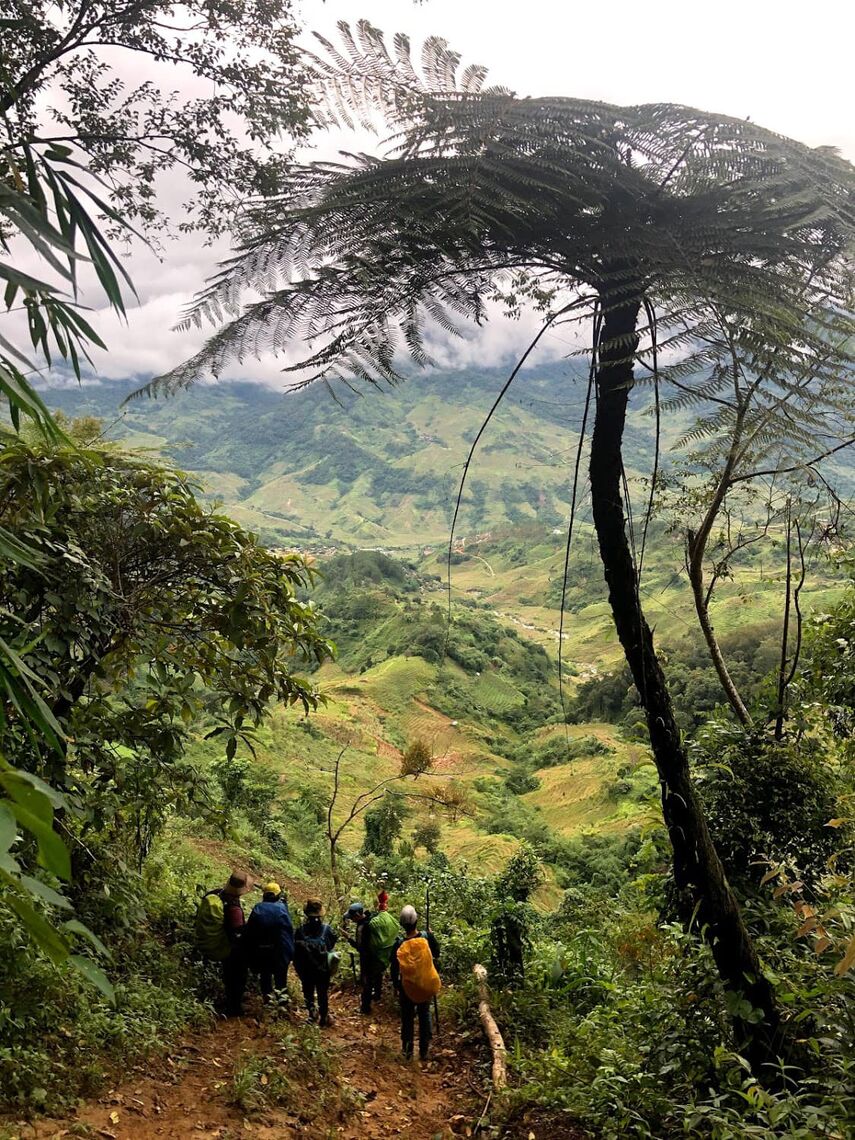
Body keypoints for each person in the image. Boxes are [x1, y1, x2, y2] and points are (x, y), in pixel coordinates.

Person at [390, 905, 441, 1062]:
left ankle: (407, 1051)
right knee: (424, 1014)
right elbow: (437, 953)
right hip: (425, 984)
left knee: (407, 1017)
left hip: (407, 987)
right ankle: (424, 1050)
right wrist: (431, 936)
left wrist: (396, 986)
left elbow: (393, 966)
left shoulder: (399, 944)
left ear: (402, 924)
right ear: (416, 920)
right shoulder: (427, 938)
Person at [244, 881, 294, 1003]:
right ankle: (282, 1000)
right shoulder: (282, 909)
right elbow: (288, 929)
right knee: (280, 975)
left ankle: (267, 998)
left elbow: (250, 930)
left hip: (261, 949)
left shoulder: (258, 907)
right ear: (277, 895)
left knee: (265, 974)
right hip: (279, 949)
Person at [294, 897, 338, 1027]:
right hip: (322, 969)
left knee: (308, 991)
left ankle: (312, 1013)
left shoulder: (300, 930)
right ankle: (324, 1016)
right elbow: (331, 946)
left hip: (306, 969)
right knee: (322, 993)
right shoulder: (327, 930)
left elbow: (296, 950)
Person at [343, 900, 385, 1015]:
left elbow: (360, 947)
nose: (351, 920)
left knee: (366, 982)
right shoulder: (371, 919)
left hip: (367, 959)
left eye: (352, 917)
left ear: (357, 915)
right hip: (377, 956)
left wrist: (349, 938)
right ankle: (377, 997)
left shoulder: (362, 927)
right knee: (377, 977)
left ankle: (365, 1008)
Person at [219, 870, 252, 1017]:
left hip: (224, 943)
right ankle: (235, 1008)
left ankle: (230, 1003)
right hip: (234, 949)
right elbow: (238, 932)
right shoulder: (235, 909)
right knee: (237, 978)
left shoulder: (221, 895)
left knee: (229, 976)